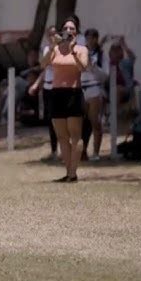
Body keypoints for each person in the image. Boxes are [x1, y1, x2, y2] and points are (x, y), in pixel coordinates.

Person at [41, 17, 89, 182]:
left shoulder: (82, 49)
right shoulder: (55, 49)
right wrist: (53, 46)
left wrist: (73, 50)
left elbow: (83, 67)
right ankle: (68, 172)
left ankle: (73, 172)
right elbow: (43, 64)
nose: (69, 31)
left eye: (72, 28)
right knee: (62, 136)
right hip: (56, 94)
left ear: (76, 32)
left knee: (75, 135)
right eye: (66, 28)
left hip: (73, 93)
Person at [29, 25, 59, 160]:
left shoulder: (63, 50)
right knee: (50, 119)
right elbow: (44, 66)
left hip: (59, 87)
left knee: (60, 119)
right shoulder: (48, 49)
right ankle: (54, 150)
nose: (52, 37)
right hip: (47, 87)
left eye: (54, 34)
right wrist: (36, 84)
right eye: (50, 35)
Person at [81, 28, 109, 161]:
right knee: (81, 122)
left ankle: (96, 152)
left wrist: (93, 67)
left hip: (95, 88)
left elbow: (104, 76)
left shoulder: (102, 55)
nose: (90, 41)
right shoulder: (80, 52)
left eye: (93, 38)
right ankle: (82, 151)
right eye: (88, 38)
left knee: (94, 121)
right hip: (81, 89)